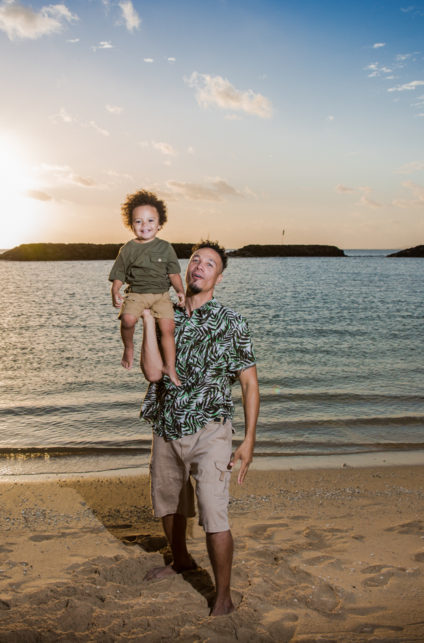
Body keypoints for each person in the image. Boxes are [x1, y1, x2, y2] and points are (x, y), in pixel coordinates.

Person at [138, 240, 259, 617]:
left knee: (213, 512)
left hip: (211, 430)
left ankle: (222, 595)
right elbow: (152, 372)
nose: (200, 266)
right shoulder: (165, 314)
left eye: (209, 263)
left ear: (217, 277)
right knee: (169, 502)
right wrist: (145, 321)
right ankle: (180, 561)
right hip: (166, 425)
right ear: (187, 268)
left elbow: (249, 383)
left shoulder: (231, 321)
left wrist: (250, 439)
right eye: (195, 260)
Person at [109, 190, 185, 386]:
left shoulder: (166, 248)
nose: (145, 226)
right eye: (138, 221)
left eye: (151, 221)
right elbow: (119, 273)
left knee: (168, 328)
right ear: (131, 225)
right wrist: (115, 291)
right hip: (136, 294)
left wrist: (180, 291)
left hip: (161, 296)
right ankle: (128, 347)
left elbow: (174, 274)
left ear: (160, 224)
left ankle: (170, 366)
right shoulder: (128, 249)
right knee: (127, 319)